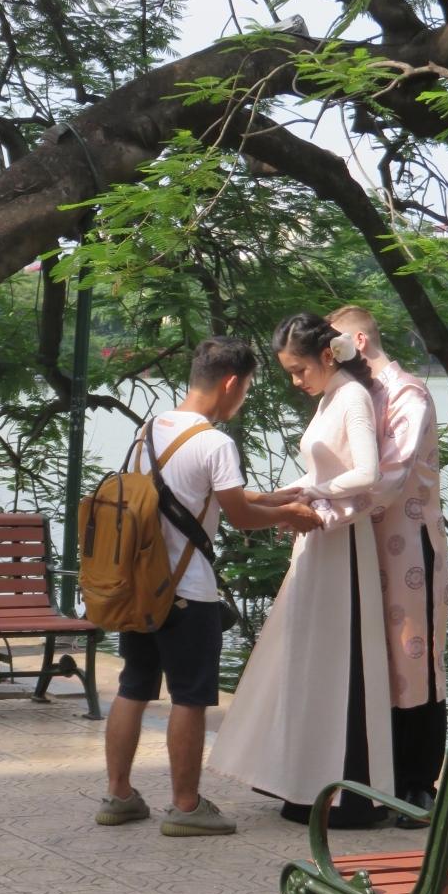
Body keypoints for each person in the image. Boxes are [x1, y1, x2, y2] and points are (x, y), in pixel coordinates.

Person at [96, 336, 321, 838]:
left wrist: (274, 497)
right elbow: (239, 516)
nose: (243, 398)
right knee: (190, 697)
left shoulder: (149, 430)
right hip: (188, 593)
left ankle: (118, 794)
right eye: (246, 389)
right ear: (231, 383)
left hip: (141, 586)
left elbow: (195, 494)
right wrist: (289, 514)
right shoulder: (216, 443)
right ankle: (185, 806)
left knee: (134, 686)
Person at [207, 313, 394, 827]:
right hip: (319, 538)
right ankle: (304, 781)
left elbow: (367, 473)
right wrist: (288, 495)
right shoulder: (331, 397)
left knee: (338, 660)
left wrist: (310, 492)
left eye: (299, 370)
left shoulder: (351, 396)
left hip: (341, 544)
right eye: (289, 371)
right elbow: (324, 471)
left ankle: (349, 794)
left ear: (327, 356)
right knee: (310, 658)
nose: (296, 380)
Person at [318, 305, 448, 824]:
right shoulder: (355, 394)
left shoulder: (407, 394)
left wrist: (322, 510)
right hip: (363, 542)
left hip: (409, 544)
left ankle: (419, 782)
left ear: (358, 341)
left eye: (334, 343)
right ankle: (380, 777)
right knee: (376, 659)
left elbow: (391, 475)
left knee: (414, 660)